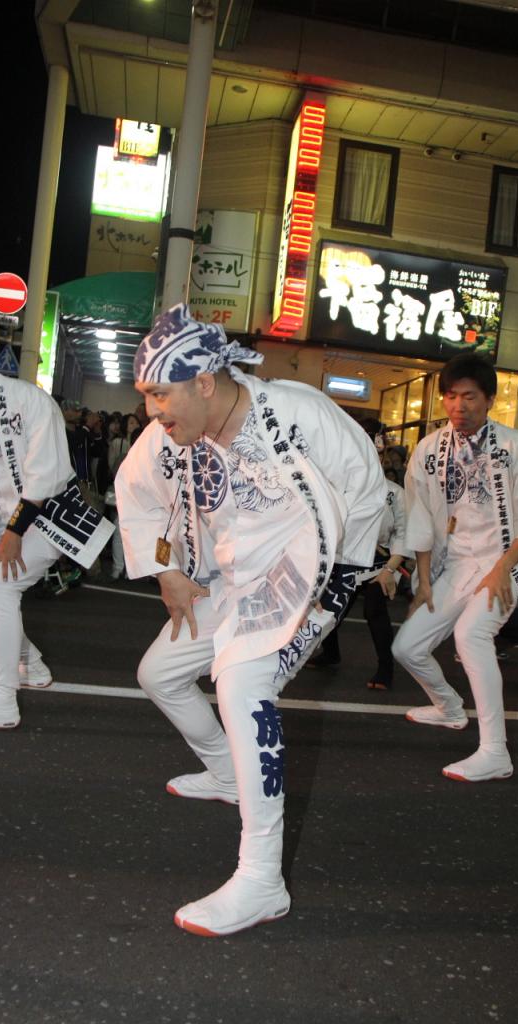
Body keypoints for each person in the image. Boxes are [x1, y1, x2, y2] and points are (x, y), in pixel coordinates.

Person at [115, 304, 386, 936]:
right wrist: (167, 570)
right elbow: (137, 496)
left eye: (159, 393)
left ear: (204, 383)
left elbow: (368, 491)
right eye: (147, 395)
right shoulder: (167, 439)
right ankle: (224, 771)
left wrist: (335, 592)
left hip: (307, 585)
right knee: (159, 673)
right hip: (233, 583)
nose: (152, 410)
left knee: (242, 685)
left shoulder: (299, 411)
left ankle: (262, 878)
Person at [391, 352, 518, 783]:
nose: (459, 406)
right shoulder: (430, 448)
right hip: (456, 561)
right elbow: (419, 515)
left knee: (471, 635)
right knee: (407, 647)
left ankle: (495, 752)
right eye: (451, 397)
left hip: (503, 560)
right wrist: (422, 579)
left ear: (489, 399)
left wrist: (503, 568)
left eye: (469, 396)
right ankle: (449, 708)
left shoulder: (515, 445)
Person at [0, 314, 113, 730]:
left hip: (48, 517)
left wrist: (14, 535)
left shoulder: (30, 401)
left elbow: (46, 476)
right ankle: (31, 661)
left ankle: (2, 699)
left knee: (0, 586)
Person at [308, 418, 408, 690]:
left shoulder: (394, 493)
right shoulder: (337, 485)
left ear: (381, 450)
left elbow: (403, 533)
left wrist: (391, 568)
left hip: (380, 562)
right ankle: (331, 653)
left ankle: (385, 668)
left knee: (375, 610)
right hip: (344, 558)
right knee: (328, 611)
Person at [105, 413, 141, 579]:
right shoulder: (124, 458)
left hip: (132, 503)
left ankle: (122, 568)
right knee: (126, 536)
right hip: (129, 502)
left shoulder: (124, 458)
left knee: (123, 535)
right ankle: (123, 568)